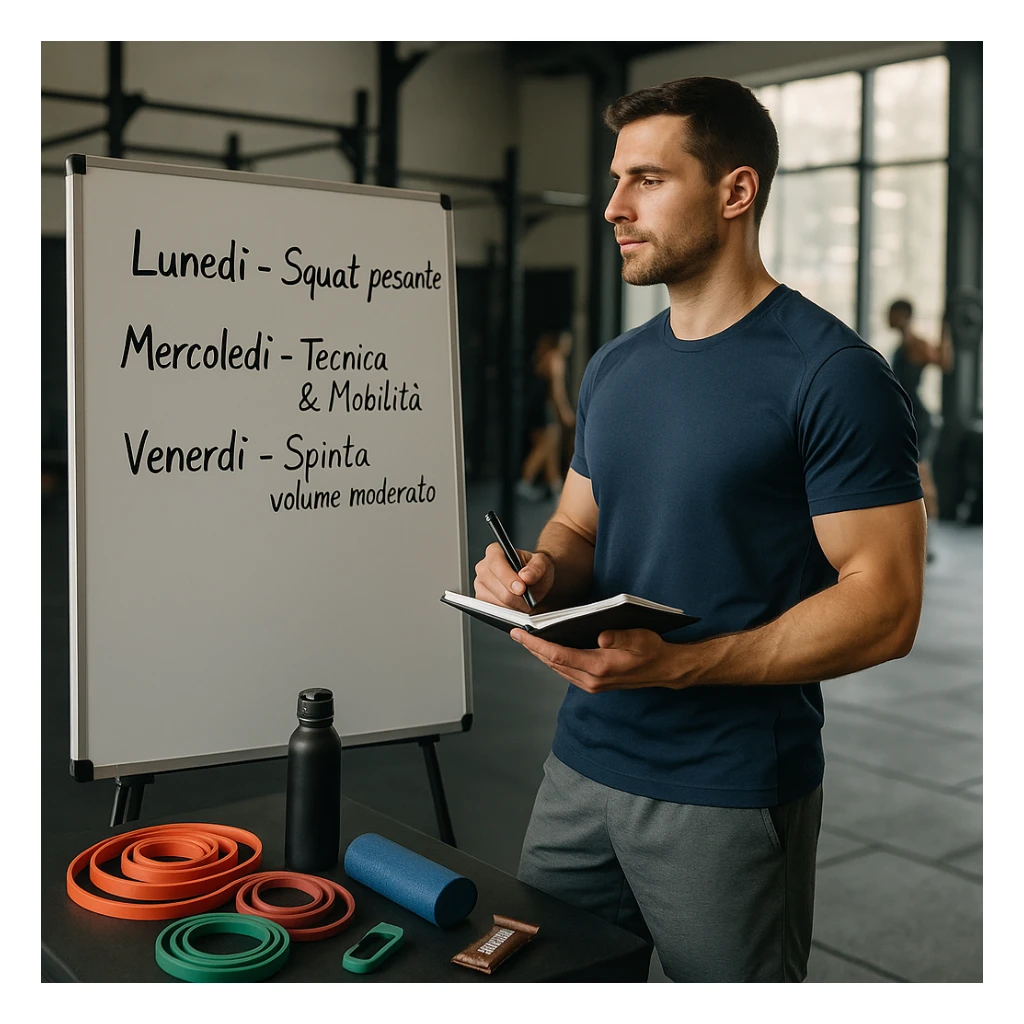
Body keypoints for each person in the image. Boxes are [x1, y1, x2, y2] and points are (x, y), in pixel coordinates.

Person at [474, 77, 926, 983]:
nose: (613, 207)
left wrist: (682, 664)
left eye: (646, 179)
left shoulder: (832, 374)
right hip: (581, 764)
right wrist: (532, 572)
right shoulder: (616, 367)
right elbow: (576, 524)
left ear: (735, 192)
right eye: (615, 179)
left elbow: (886, 606)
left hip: (726, 790)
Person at [888, 298, 954, 560]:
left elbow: (944, 362)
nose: (887, 318)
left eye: (892, 314)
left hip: (921, 421)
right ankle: (913, 539)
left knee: (923, 477)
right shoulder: (903, 344)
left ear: (904, 315)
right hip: (907, 417)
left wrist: (945, 329)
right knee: (913, 476)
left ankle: (927, 543)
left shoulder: (914, 344)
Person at [517, 329, 576, 501]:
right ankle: (525, 480)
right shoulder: (556, 360)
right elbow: (557, 393)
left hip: (536, 410)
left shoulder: (542, 357)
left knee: (550, 447)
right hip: (545, 410)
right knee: (545, 446)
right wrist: (565, 413)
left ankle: (555, 486)